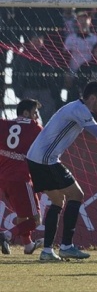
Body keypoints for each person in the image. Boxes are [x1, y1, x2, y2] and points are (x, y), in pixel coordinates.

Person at [26, 81, 97, 261]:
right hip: (45, 160)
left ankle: (48, 251)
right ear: (92, 98)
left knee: (58, 201)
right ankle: (66, 246)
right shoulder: (79, 110)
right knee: (77, 195)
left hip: (35, 158)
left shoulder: (76, 107)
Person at [0, 99, 43, 255]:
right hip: (20, 178)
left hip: (3, 179)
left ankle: (28, 245)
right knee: (36, 219)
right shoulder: (35, 128)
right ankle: (6, 235)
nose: (37, 116)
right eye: (35, 112)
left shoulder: (3, 124)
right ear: (26, 113)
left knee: (21, 215)